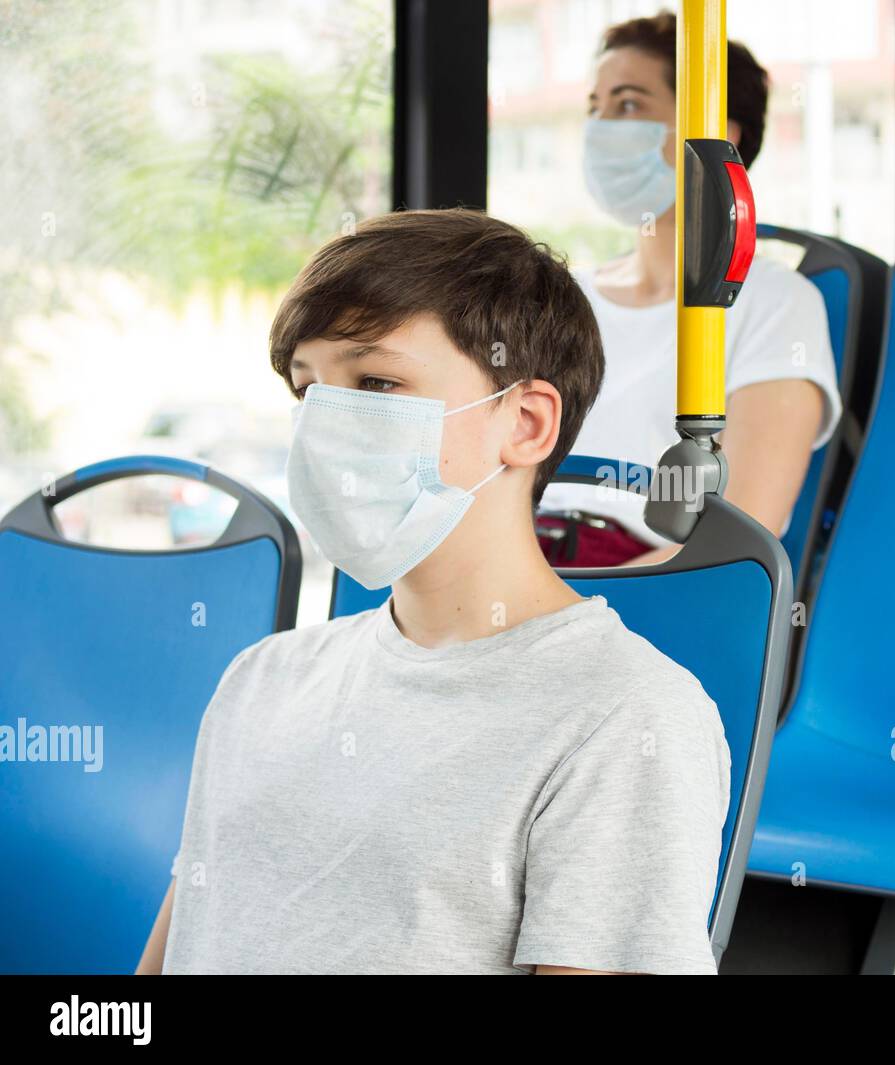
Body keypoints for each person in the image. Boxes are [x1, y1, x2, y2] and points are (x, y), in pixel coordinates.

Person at [134, 209, 730, 975]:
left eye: (377, 382)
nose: (326, 426)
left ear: (525, 421)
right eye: (308, 389)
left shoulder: (626, 718)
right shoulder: (261, 679)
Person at [536, 11, 841, 567]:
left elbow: (742, 531)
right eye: (595, 107)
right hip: (523, 554)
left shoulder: (776, 303)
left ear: (717, 134)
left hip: (640, 577)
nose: (601, 128)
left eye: (628, 105)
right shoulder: (561, 297)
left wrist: (551, 604)